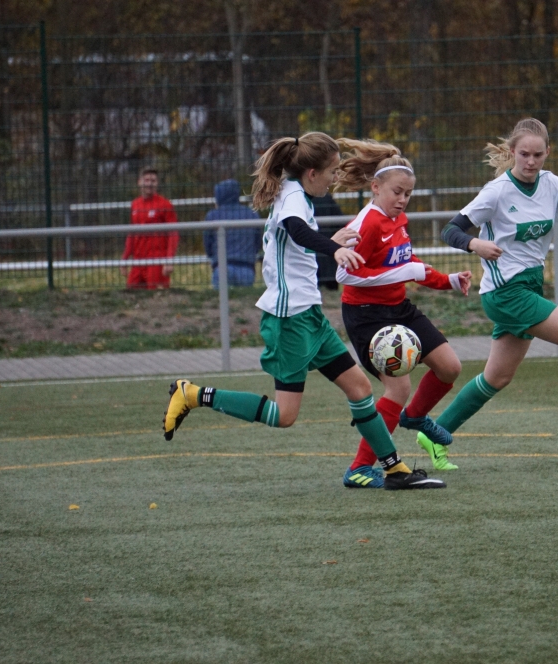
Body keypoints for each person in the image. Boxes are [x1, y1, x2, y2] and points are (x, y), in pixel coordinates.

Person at [162, 131, 445, 491]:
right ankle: (193, 394)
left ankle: (391, 469)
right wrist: (333, 249)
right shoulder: (294, 197)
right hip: (288, 320)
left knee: (359, 389)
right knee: (284, 416)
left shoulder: (296, 194)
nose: (335, 178)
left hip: (309, 316)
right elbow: (295, 231)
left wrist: (332, 242)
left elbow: (292, 244)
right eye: (331, 172)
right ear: (312, 173)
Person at [423, 117, 558, 470]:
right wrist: (475, 244)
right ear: (512, 153)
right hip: (506, 293)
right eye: (524, 154)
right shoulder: (497, 191)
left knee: (497, 377)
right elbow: (450, 230)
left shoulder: (552, 185)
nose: (531, 161)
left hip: (529, 285)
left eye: (538, 154)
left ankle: (434, 433)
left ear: (548, 152)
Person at [334, 139, 472, 488]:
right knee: (398, 387)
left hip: (399, 309)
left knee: (449, 367)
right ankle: (360, 468)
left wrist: (449, 282)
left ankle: (414, 417)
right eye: (397, 192)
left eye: (408, 194)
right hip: (365, 315)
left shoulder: (398, 219)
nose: (402, 199)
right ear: (376, 187)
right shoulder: (365, 224)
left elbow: (408, 264)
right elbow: (344, 275)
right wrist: (399, 274)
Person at [120, 168, 178, 289]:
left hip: (156, 260)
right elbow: (132, 233)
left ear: (157, 183)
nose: (150, 183)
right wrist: (124, 258)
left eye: (153, 180)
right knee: (130, 293)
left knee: (156, 297)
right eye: (147, 180)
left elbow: (173, 233)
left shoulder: (165, 204)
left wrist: (169, 260)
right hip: (138, 260)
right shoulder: (135, 204)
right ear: (139, 182)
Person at [203, 178, 260, 287]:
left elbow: (208, 244)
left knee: (221, 302)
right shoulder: (251, 214)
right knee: (244, 302)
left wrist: (213, 255)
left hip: (222, 268)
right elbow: (257, 242)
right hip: (247, 267)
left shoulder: (213, 216)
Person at [312, 192, 346, 290]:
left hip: (310, 258)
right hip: (328, 257)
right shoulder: (325, 197)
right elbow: (340, 222)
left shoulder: (299, 199)